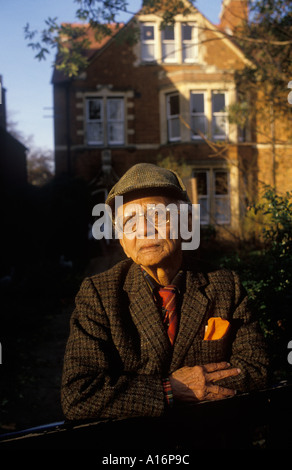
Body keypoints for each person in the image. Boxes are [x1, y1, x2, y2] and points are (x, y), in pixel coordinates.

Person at [61, 163, 268, 422]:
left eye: (156, 216)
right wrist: (169, 390)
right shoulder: (99, 295)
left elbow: (256, 370)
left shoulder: (225, 285)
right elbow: (78, 395)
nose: (145, 230)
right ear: (124, 243)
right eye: (130, 222)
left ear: (186, 223)